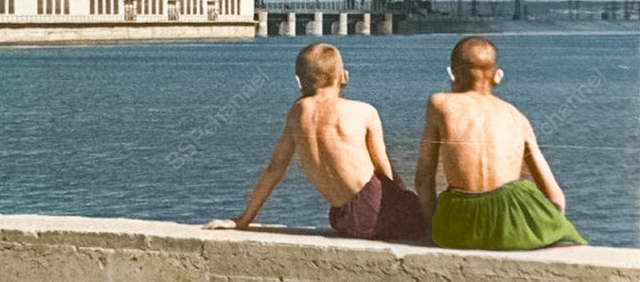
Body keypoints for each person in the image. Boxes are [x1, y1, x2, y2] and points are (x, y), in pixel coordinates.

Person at [204, 43, 426, 241]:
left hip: (343, 219)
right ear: (343, 76)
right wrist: (406, 202)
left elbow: (274, 169)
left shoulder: (297, 113)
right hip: (376, 211)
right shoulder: (364, 111)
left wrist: (243, 220)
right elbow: (383, 167)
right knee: (427, 210)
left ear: (299, 81)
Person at [414, 36, 587, 250]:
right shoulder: (518, 117)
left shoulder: (439, 103)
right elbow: (555, 195)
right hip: (512, 225)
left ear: (451, 73)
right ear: (498, 76)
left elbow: (423, 178)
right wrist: (554, 224)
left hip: (459, 226)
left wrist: (433, 227)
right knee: (524, 188)